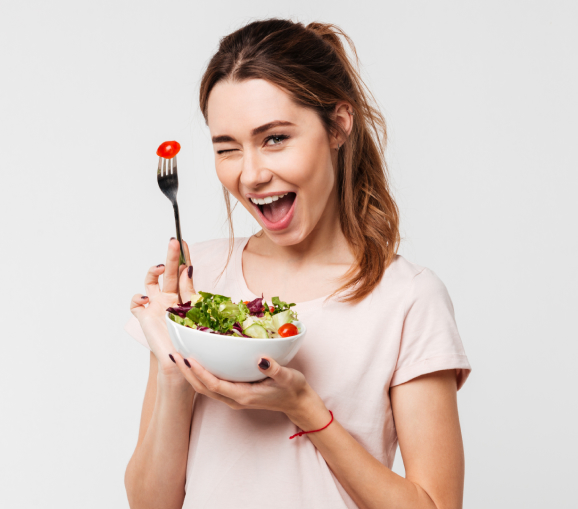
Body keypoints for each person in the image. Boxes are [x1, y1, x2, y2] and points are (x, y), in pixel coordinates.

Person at [123, 18, 471, 509]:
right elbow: (149, 504)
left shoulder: (408, 298)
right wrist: (176, 359)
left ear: (338, 125)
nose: (251, 174)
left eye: (275, 139)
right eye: (227, 148)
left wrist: (306, 410)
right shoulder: (194, 281)